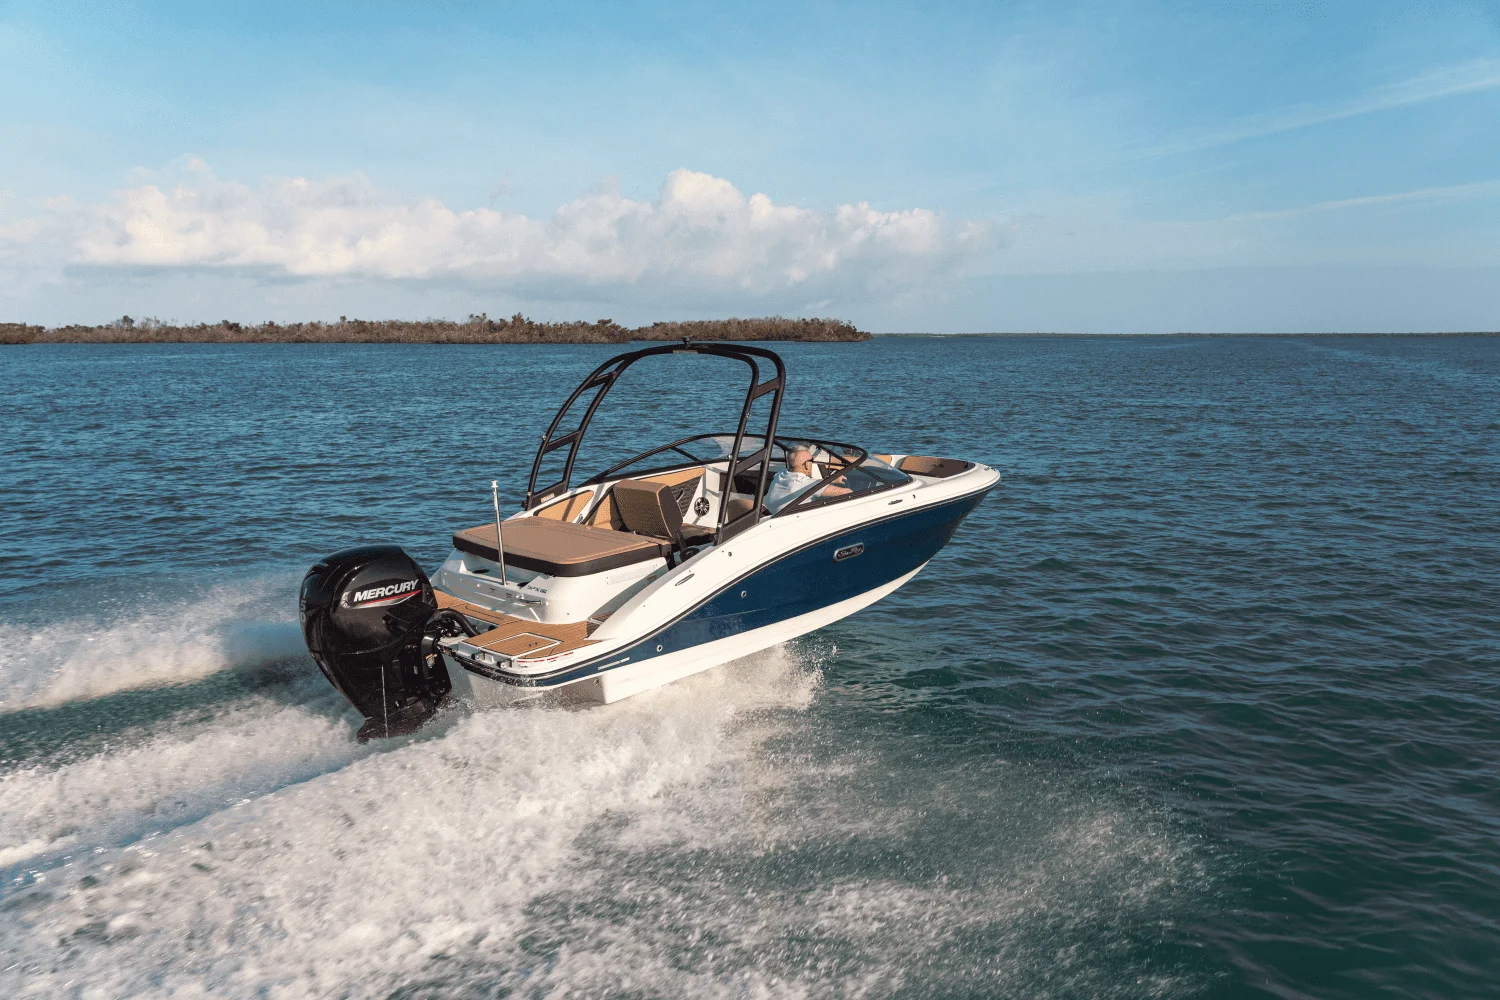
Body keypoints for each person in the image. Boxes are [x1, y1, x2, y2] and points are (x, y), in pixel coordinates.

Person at [764, 447, 849, 513]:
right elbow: (847, 492)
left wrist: (831, 480)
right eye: (812, 460)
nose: (813, 463)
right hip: (790, 521)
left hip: (772, 514)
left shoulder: (781, 473)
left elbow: (809, 483)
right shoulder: (806, 484)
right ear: (807, 465)